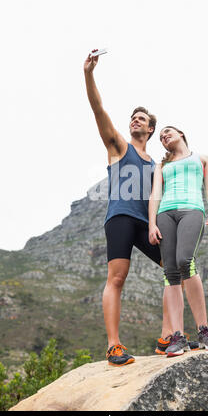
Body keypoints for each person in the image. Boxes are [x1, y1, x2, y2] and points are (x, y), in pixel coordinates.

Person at [84, 51, 163, 366]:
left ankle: (170, 336)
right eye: (133, 117)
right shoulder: (118, 146)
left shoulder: (156, 165)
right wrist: (89, 73)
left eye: (141, 119)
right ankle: (113, 346)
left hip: (147, 224)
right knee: (116, 278)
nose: (135, 120)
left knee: (180, 267)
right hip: (119, 218)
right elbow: (97, 108)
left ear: (150, 130)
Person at [149, 125, 208, 357]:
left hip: (192, 210)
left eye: (167, 132)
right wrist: (152, 224)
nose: (164, 136)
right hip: (165, 214)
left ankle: (204, 330)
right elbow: (155, 195)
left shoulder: (201, 159)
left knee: (184, 260)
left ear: (181, 134)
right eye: (160, 137)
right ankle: (178, 336)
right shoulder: (162, 166)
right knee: (170, 271)